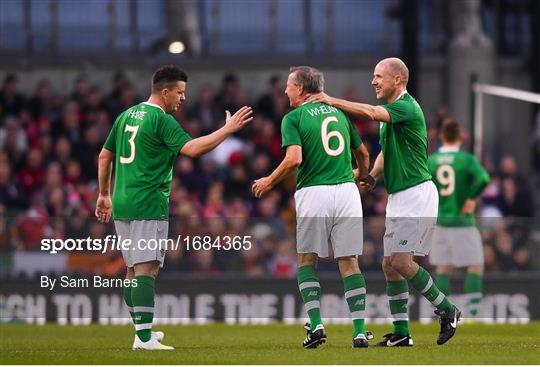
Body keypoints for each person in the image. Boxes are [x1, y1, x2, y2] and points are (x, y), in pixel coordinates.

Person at [95, 65, 252, 350]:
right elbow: (192, 150)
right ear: (164, 92)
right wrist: (227, 129)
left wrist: (104, 194)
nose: (182, 98)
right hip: (148, 203)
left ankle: (141, 332)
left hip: (122, 202)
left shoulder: (126, 116)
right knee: (147, 268)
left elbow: (105, 155)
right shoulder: (160, 119)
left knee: (132, 269)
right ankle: (143, 339)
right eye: (179, 93)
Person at [308, 57, 460, 346]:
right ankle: (402, 333)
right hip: (400, 196)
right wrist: (368, 175)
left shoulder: (406, 106)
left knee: (402, 261)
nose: (373, 81)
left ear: (398, 80)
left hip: (417, 194)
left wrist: (332, 100)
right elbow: (384, 153)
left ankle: (447, 309)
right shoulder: (394, 113)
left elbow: (369, 112)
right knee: (389, 264)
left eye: (379, 76)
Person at [252, 66, 371, 348]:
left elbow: (294, 158)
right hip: (346, 192)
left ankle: (316, 324)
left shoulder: (293, 118)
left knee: (307, 260)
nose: (285, 90)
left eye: (289, 85)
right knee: (349, 261)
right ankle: (359, 331)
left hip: (313, 192)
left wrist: (269, 180)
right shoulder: (340, 113)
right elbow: (363, 153)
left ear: (302, 89)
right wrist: (361, 175)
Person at [428, 118, 490, 320]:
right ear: (461, 136)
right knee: (475, 265)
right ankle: (472, 314)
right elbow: (483, 178)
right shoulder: (466, 160)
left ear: (441, 136)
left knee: (443, 266)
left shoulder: (432, 160)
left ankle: (444, 314)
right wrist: (471, 198)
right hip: (462, 221)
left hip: (440, 221)